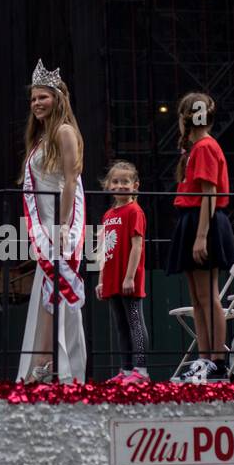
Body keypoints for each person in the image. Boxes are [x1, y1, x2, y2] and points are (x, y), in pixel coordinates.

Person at [17, 59, 88, 384]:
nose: (36, 104)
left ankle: (48, 364)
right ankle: (45, 362)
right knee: (48, 291)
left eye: (42, 97)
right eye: (33, 99)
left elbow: (71, 181)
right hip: (44, 223)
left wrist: (61, 228)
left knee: (54, 289)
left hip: (60, 221)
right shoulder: (40, 139)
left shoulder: (64, 131)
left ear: (58, 97)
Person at [168, 92, 234, 384]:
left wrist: (201, 236)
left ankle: (218, 363)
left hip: (204, 221)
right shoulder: (194, 150)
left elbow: (209, 192)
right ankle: (204, 358)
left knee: (209, 296)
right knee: (198, 298)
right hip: (193, 220)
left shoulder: (206, 147)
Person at [96, 161, 150, 383]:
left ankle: (141, 371)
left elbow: (137, 245)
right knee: (121, 325)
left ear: (135, 185)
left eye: (125, 182)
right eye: (116, 182)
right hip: (111, 278)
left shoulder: (134, 211)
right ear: (109, 185)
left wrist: (129, 277)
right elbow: (104, 249)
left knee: (135, 322)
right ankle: (126, 370)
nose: (120, 186)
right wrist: (101, 280)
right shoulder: (108, 214)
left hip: (128, 278)